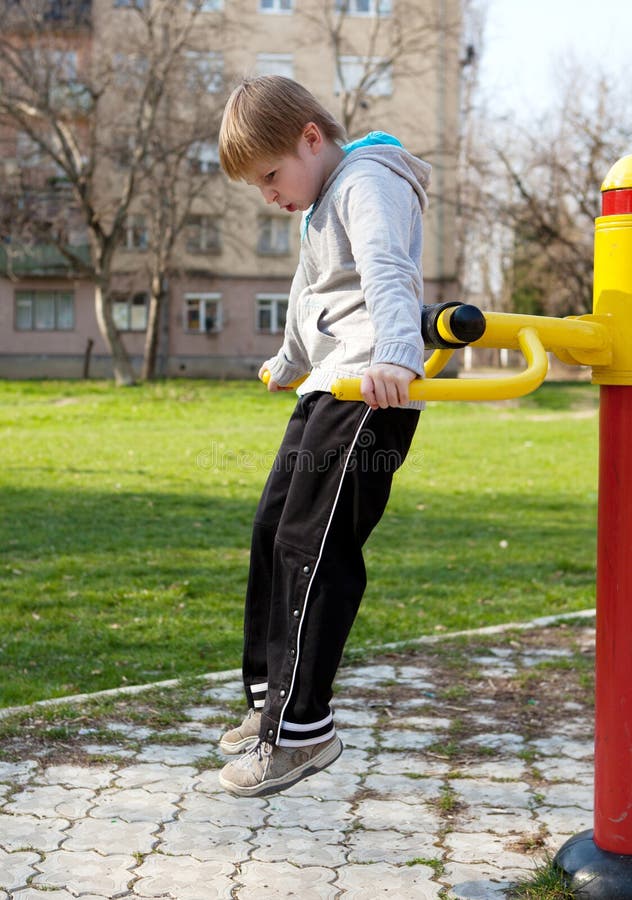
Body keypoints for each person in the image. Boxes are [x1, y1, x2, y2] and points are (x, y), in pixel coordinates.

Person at [216, 75, 430, 798]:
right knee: (273, 531)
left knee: (316, 547)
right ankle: (269, 700)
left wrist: (400, 354)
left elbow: (386, 270)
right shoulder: (318, 204)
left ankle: (302, 732)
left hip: (373, 386)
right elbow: (312, 294)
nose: (270, 195)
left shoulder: (370, 181)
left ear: (311, 136)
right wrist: (291, 359)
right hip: (329, 383)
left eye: (271, 175)